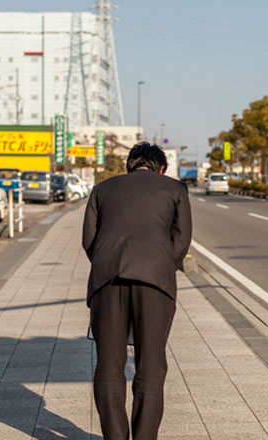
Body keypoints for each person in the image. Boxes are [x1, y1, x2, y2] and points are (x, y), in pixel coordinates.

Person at [82, 141, 192, 440]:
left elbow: (89, 239)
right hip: (155, 281)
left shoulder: (103, 189)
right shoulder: (175, 189)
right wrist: (159, 264)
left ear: (129, 165)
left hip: (107, 279)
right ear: (162, 168)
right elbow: (181, 241)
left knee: (108, 366)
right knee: (151, 365)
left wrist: (108, 263)